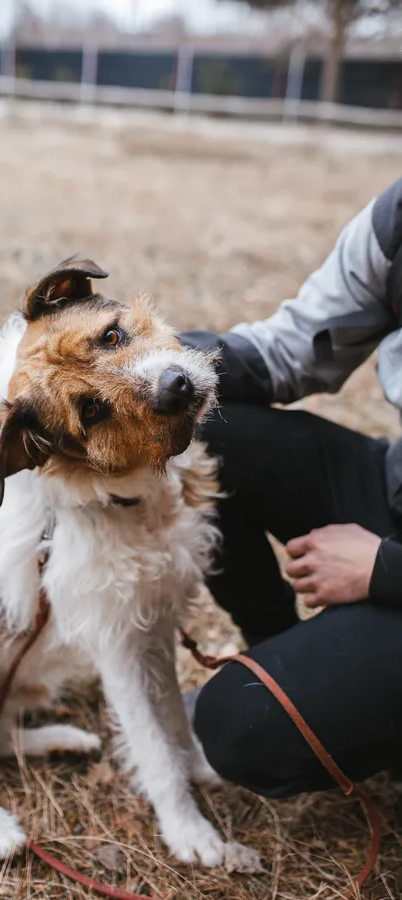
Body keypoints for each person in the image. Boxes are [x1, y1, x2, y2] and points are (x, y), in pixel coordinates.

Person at [179, 176, 402, 798]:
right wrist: (154, 367)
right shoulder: (398, 220)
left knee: (239, 727)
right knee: (195, 429)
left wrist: (382, 570)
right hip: (395, 490)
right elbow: (288, 348)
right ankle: (291, 657)